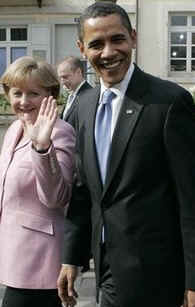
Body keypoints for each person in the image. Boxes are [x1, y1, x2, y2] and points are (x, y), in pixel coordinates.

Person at [57, 2, 195, 307]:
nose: (108, 52)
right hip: (105, 272)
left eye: (117, 39)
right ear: (82, 48)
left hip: (158, 277)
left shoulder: (170, 103)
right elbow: (84, 192)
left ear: (133, 37)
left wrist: (193, 281)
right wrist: (71, 257)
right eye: (96, 44)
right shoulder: (84, 106)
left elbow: (190, 199)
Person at [0, 56, 75, 307]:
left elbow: (56, 197)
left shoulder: (60, 131)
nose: (23, 101)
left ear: (50, 95)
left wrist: (42, 148)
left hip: (39, 263)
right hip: (13, 256)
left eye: (33, 93)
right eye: (17, 92)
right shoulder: (14, 129)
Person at [57, 56, 92, 125]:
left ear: (78, 72)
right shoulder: (72, 95)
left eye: (65, 77)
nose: (62, 82)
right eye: (60, 78)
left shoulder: (90, 96)